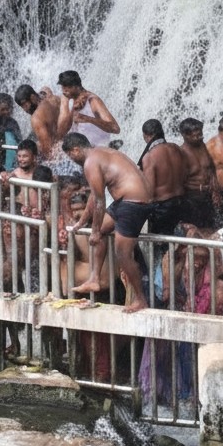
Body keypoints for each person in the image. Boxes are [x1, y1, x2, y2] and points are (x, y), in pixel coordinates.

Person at [62, 133, 150, 312]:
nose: (71, 160)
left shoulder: (90, 162)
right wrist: (84, 223)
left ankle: (141, 299)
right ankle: (94, 279)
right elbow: (94, 198)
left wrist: (93, 231)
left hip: (133, 203)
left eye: (70, 156)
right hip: (125, 201)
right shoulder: (100, 153)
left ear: (76, 150)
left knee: (122, 253)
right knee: (102, 229)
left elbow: (100, 201)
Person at [138, 119, 188, 238]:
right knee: (179, 244)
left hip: (162, 209)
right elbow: (186, 173)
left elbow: (149, 192)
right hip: (182, 203)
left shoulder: (149, 157)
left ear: (146, 136)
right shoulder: (176, 148)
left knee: (160, 247)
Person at [55, 70, 119, 148]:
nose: (64, 91)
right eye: (62, 87)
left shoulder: (93, 101)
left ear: (76, 86)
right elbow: (62, 133)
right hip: (83, 152)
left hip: (100, 151)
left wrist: (87, 118)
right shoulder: (72, 101)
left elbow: (115, 128)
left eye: (67, 88)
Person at [178, 118, 219, 231]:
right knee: (195, 232)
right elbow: (178, 184)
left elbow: (211, 168)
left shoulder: (202, 146)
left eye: (201, 134)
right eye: (196, 136)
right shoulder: (181, 154)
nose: (200, 138)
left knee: (210, 230)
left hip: (207, 198)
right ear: (185, 135)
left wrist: (214, 188)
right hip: (191, 201)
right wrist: (200, 187)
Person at [13, 84, 62, 170]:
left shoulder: (36, 118)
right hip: (62, 140)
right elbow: (46, 88)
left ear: (32, 98)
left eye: (25, 105)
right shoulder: (53, 98)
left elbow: (48, 149)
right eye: (22, 107)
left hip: (56, 153)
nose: (25, 109)